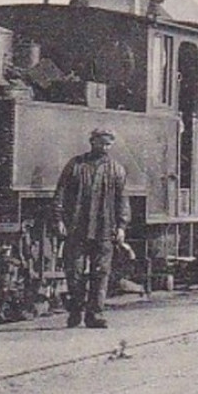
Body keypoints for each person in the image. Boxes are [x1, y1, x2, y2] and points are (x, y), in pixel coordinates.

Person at [54, 127, 131, 329]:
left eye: (108, 144)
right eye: (101, 142)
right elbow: (61, 192)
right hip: (77, 228)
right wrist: (59, 219)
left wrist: (122, 226)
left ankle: (95, 314)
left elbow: (122, 201)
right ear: (92, 142)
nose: (104, 147)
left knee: (100, 273)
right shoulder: (75, 165)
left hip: (104, 230)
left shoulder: (117, 170)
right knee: (75, 272)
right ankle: (75, 311)